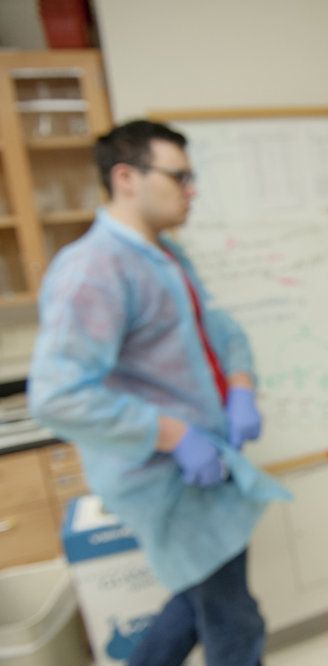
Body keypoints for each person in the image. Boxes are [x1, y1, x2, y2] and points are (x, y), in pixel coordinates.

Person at [29, 120, 289, 666]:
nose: (192, 190)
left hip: (205, 465)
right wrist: (174, 435)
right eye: (180, 177)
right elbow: (58, 395)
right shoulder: (93, 269)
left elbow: (220, 328)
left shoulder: (164, 255)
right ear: (127, 177)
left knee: (198, 606)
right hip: (166, 478)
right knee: (234, 623)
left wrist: (239, 385)